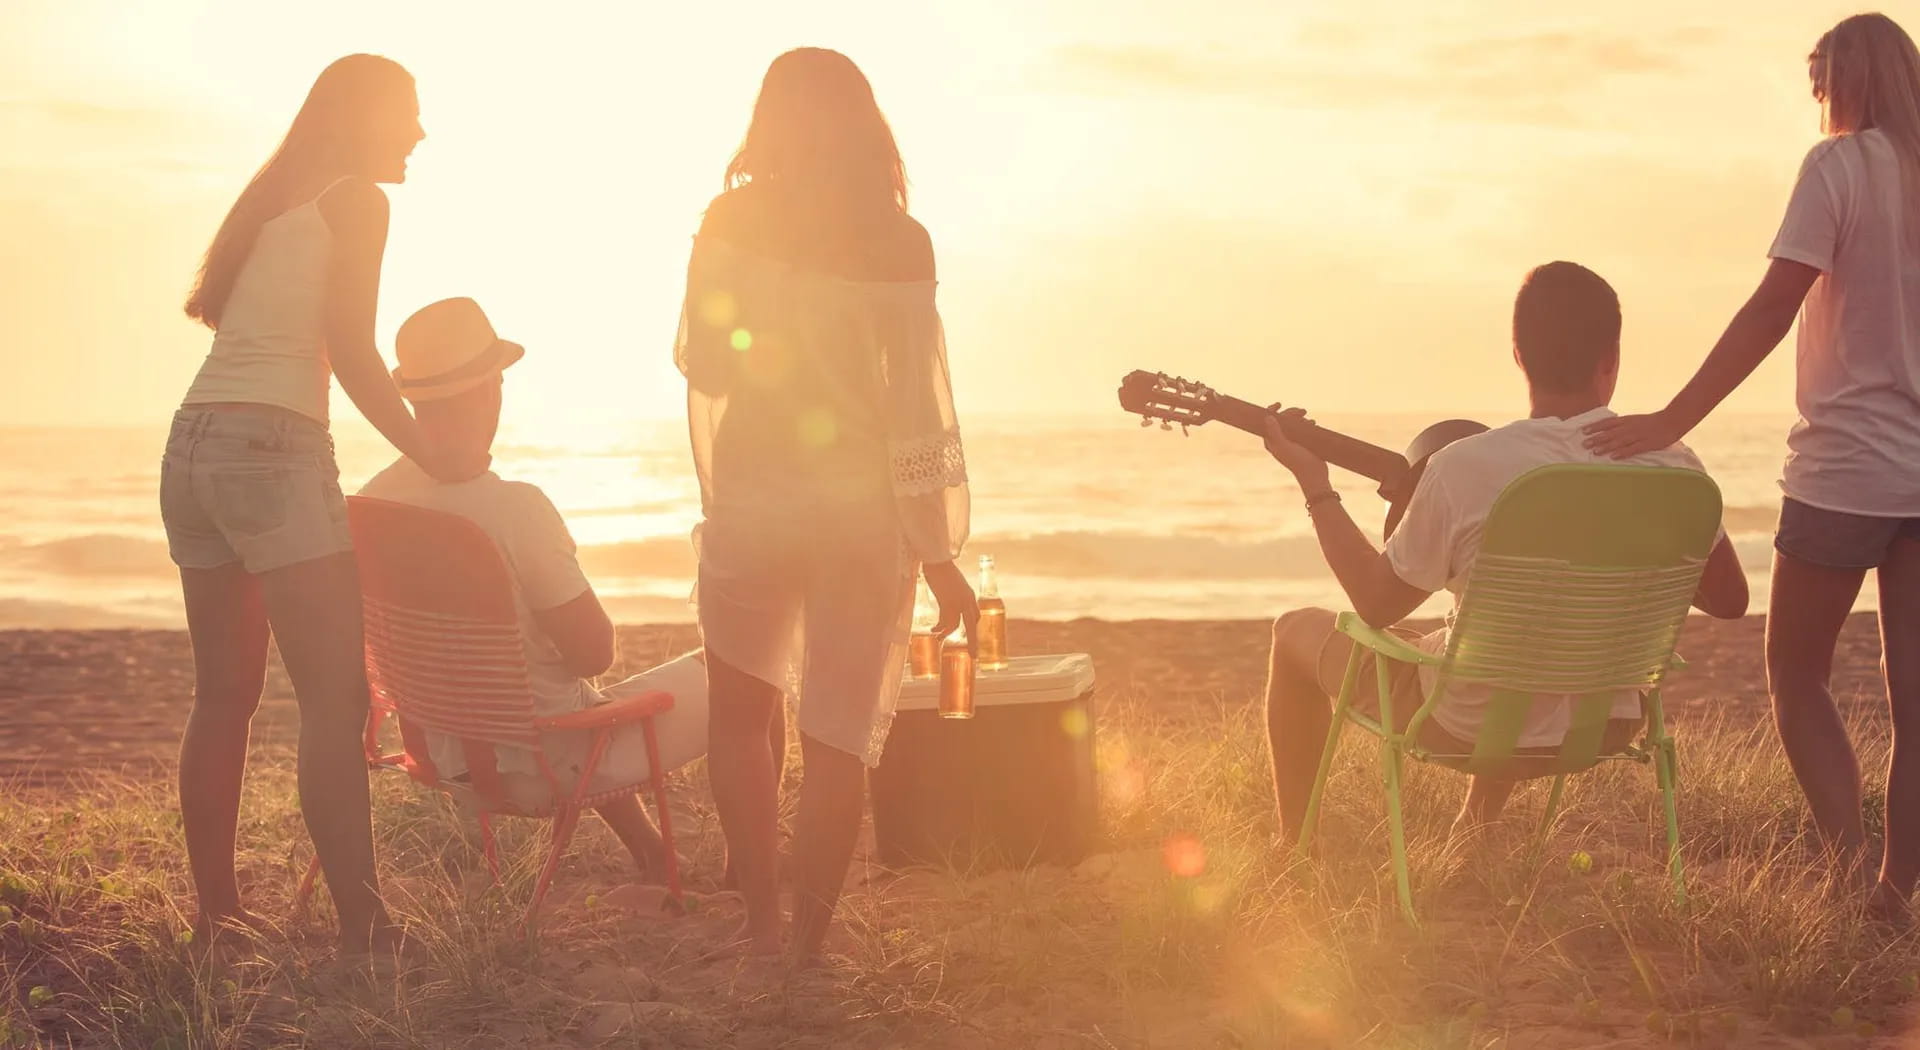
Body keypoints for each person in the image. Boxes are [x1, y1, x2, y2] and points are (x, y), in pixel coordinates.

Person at [1584, 14, 1920, 917]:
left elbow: (1773, 309)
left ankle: (1853, 874)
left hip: (1848, 467)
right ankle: (1896, 890)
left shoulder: (1838, 168)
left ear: (1848, 81)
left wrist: (1671, 419)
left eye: (1822, 86)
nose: (1819, 106)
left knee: (1795, 672)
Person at [161, 54, 474, 955]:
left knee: (223, 695)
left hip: (192, 445)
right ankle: (366, 927)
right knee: (335, 702)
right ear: (366, 116)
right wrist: (434, 455)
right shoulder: (357, 200)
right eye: (409, 114)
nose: (420, 132)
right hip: (273, 448)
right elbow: (355, 350)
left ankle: (218, 918)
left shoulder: (275, 199)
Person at [1262, 262, 1749, 841]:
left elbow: (1375, 604)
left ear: (1518, 355)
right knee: (1506, 632)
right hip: (1607, 724)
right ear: (1611, 359)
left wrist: (1315, 485)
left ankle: (1295, 845)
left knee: (1295, 629)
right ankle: (1474, 827)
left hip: (1468, 727)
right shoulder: (1674, 464)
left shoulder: (1465, 466)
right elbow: (1730, 600)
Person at [675, 48, 977, 964]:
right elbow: (918, 406)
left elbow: (706, 363)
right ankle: (807, 945)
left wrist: (760, 322)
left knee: (740, 717)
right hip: (858, 513)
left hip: (757, 498)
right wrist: (937, 548)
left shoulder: (730, 217)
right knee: (837, 735)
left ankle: (759, 922)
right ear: (864, 124)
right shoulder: (902, 240)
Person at [359, 298, 702, 879]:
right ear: (490, 390)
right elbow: (593, 654)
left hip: (443, 757)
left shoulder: (373, 502)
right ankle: (752, 874)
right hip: (545, 763)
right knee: (744, 679)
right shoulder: (516, 510)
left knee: (561, 692)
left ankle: (652, 852)